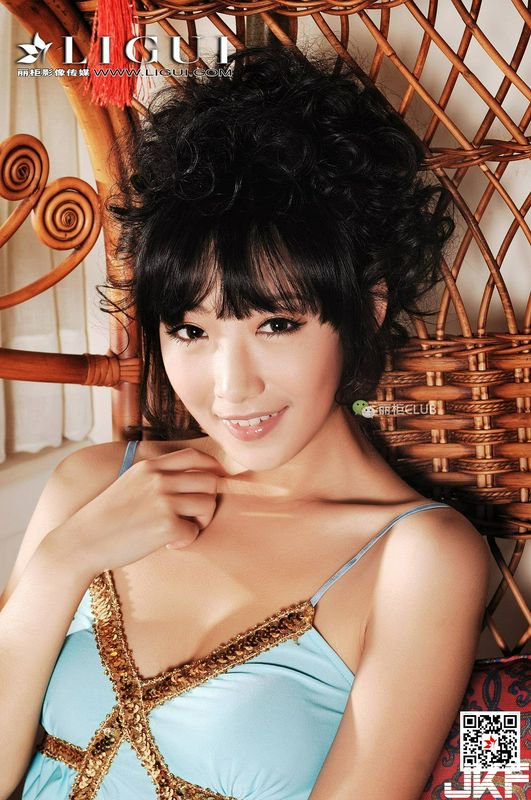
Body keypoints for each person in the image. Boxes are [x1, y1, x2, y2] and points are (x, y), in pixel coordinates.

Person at [0, 45, 490, 800]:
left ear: (366, 309)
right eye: (191, 331)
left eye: (276, 325)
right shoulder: (93, 485)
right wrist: (62, 562)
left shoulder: (418, 558)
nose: (230, 387)